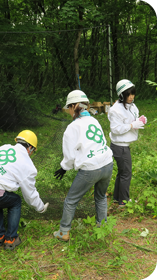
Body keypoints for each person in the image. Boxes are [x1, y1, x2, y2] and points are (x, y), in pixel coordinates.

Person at [53, 90, 114, 241]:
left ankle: (63, 232)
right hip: (107, 163)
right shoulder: (94, 120)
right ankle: (103, 227)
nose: (68, 111)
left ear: (74, 106)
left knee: (71, 200)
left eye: (69, 107)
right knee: (100, 197)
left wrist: (64, 168)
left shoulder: (72, 128)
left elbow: (69, 155)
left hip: (90, 169)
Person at [108, 79, 146, 207]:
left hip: (124, 146)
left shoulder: (132, 106)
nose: (131, 97)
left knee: (122, 173)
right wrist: (131, 125)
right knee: (126, 174)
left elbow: (133, 118)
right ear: (121, 95)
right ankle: (123, 202)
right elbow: (115, 129)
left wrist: (140, 120)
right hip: (120, 147)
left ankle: (116, 198)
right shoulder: (115, 110)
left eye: (133, 94)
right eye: (128, 95)